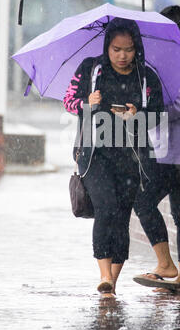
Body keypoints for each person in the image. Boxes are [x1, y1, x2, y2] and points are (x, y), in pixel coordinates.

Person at [63, 17, 164, 296]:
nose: (122, 56)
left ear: (136, 48)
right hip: (95, 155)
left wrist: (137, 115)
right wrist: (87, 103)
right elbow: (68, 101)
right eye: (116, 49)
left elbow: (159, 115)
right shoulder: (91, 70)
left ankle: (112, 283)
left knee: (121, 217)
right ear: (107, 46)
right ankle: (104, 275)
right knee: (106, 208)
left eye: (128, 50)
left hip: (131, 156)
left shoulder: (146, 78)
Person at [133, 5, 180, 292]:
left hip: (179, 154)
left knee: (150, 201)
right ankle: (175, 270)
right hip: (171, 151)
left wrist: (151, 109)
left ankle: (173, 268)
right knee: (178, 211)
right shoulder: (173, 58)